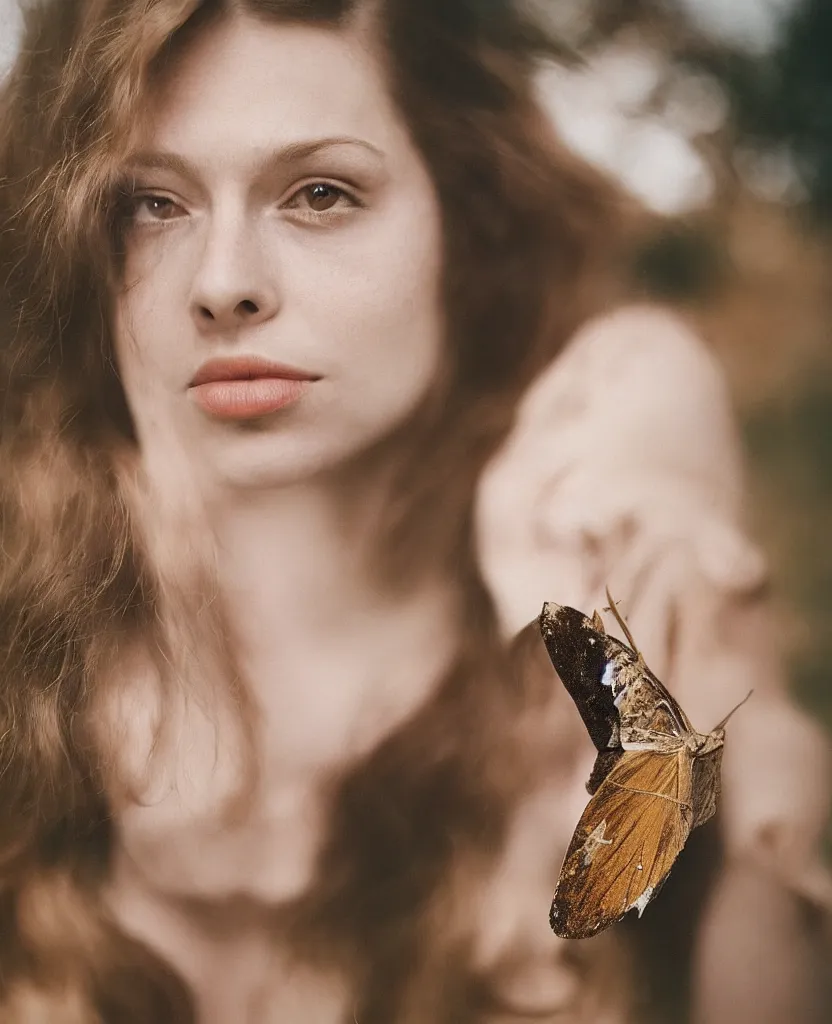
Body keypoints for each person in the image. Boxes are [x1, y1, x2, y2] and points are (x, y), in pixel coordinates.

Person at [0, 1, 827, 1023]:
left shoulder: (595, 680)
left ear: (464, 221)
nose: (222, 285)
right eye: (150, 205)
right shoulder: (28, 679)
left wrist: (721, 657)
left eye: (319, 193)